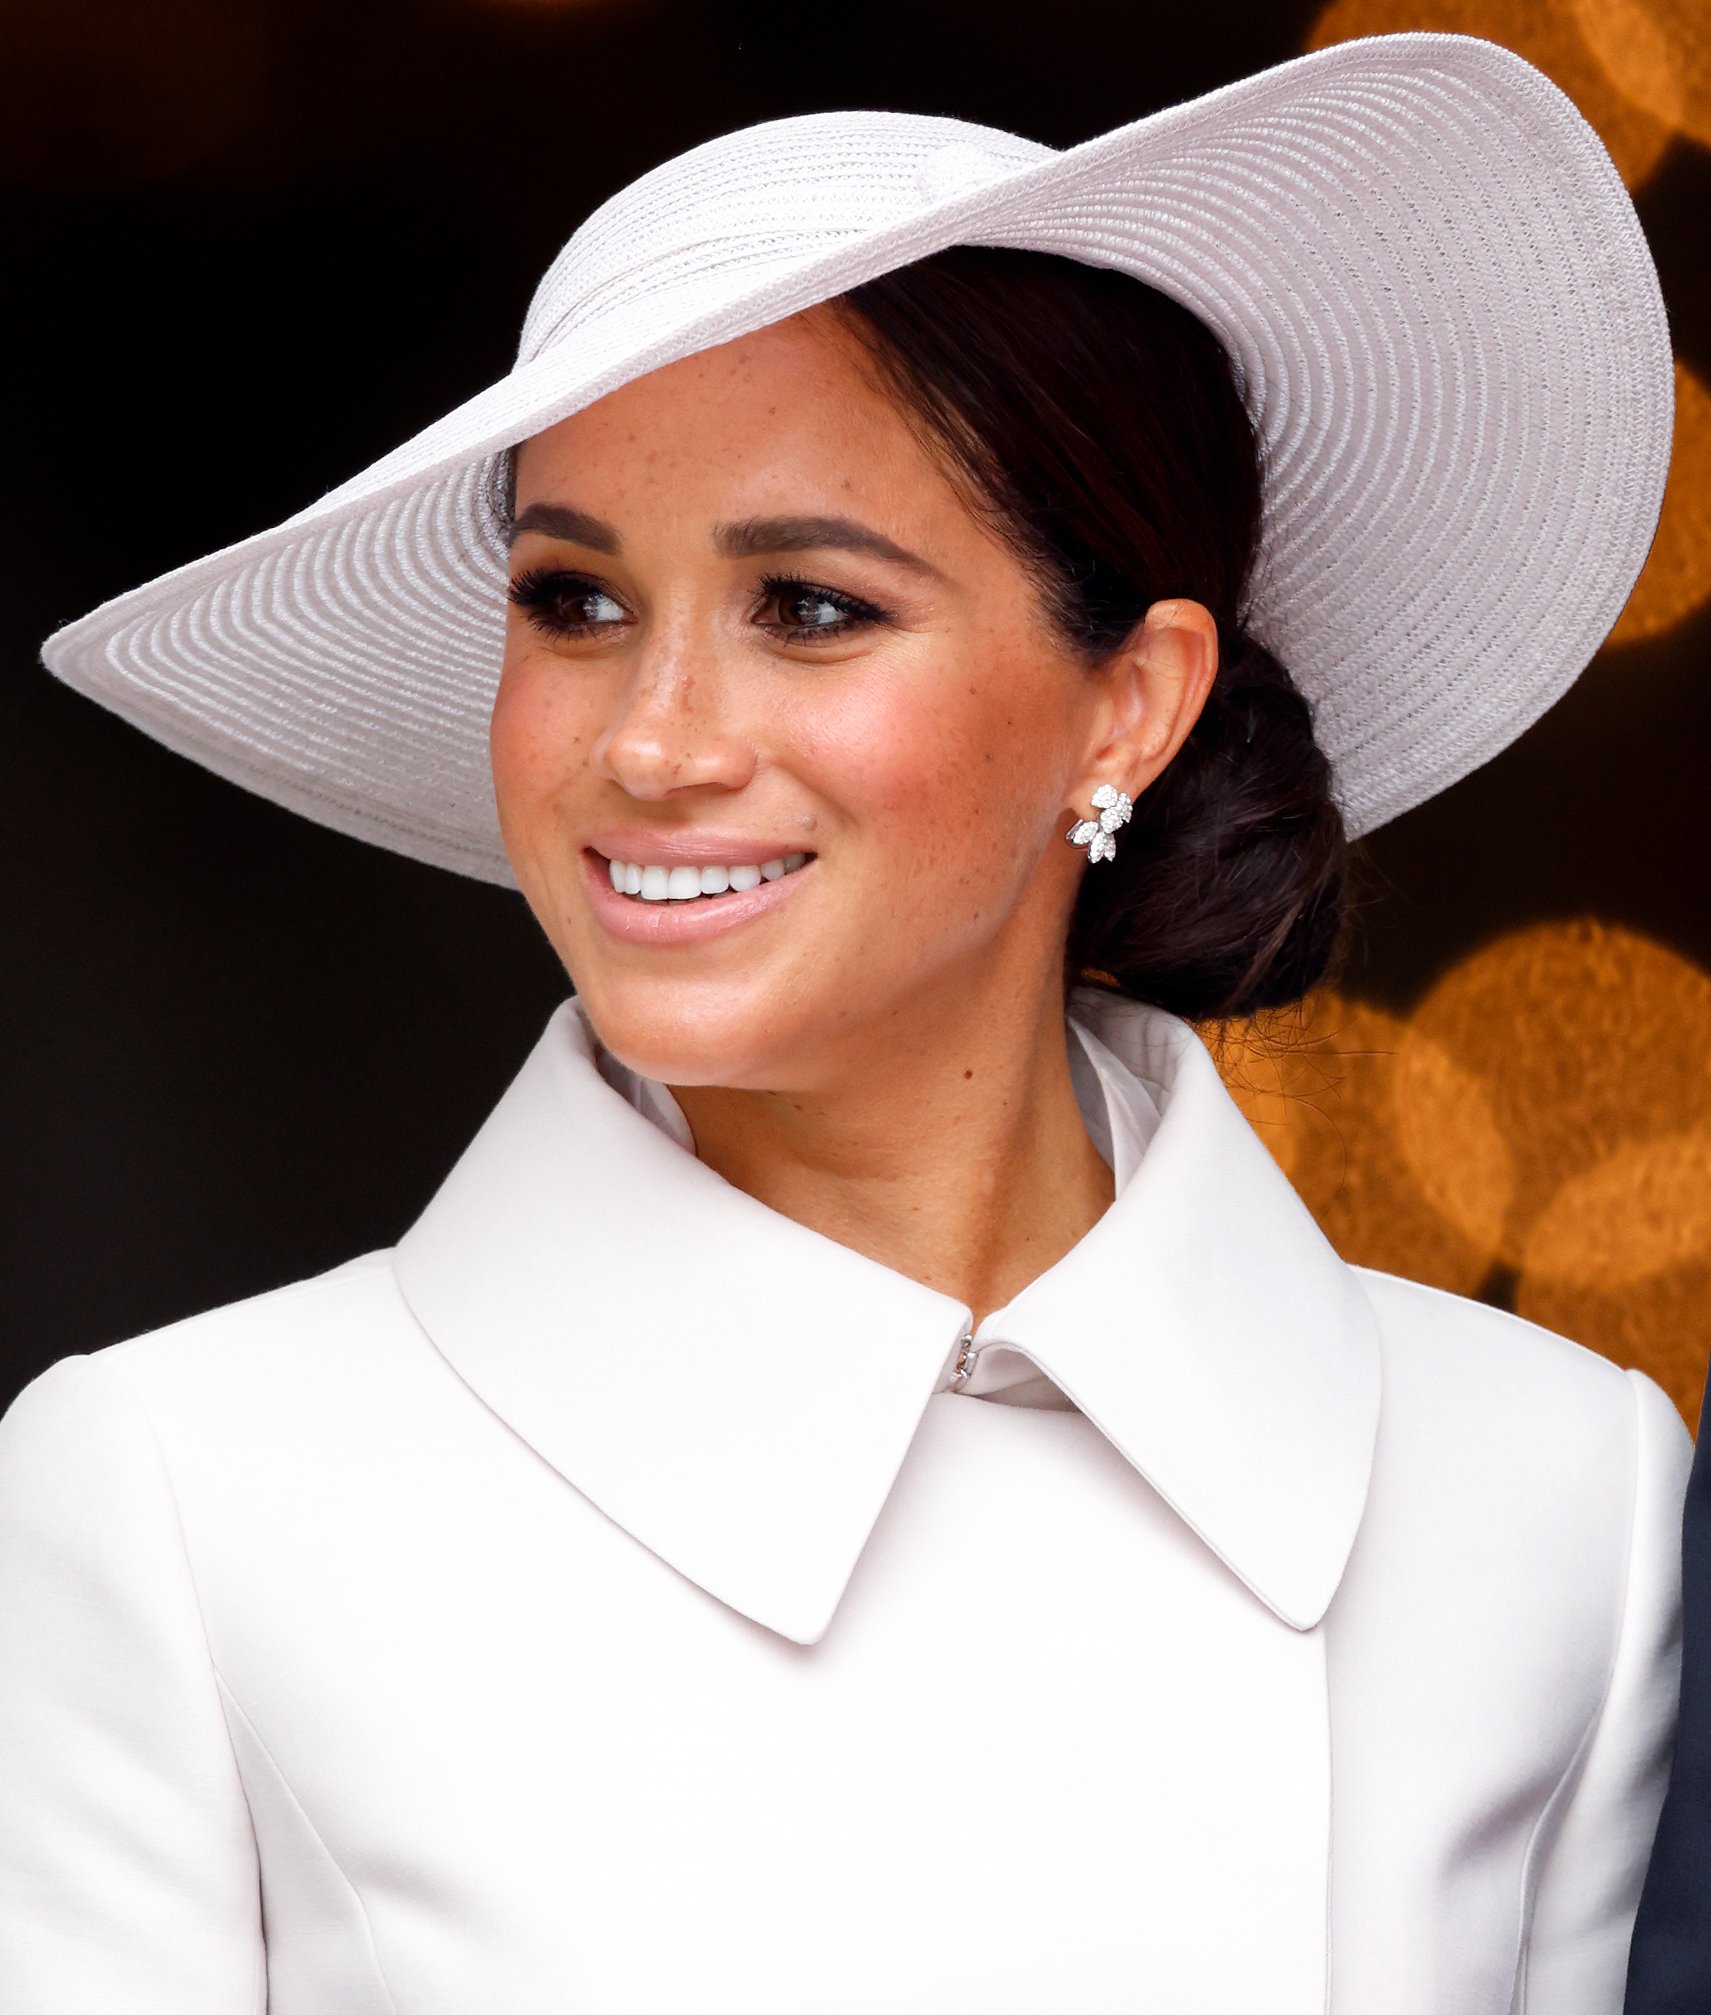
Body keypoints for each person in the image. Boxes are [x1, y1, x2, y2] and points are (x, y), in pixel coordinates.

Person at [0, 31, 1689, 2015]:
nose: (650, 741)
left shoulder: (1555, 1492)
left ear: (1128, 702)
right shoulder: (185, 1490)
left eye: (807, 606)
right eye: (572, 602)